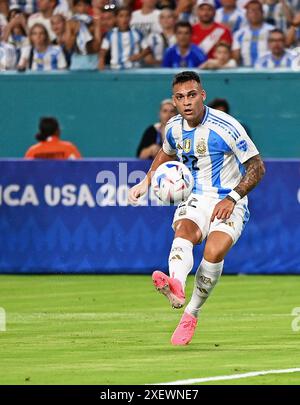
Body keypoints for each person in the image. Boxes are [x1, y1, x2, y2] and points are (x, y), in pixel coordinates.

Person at [128, 71, 265, 346]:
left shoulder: (226, 127)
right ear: (174, 101)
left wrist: (233, 198)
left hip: (229, 198)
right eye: (180, 97)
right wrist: (147, 180)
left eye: (192, 95)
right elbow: (166, 152)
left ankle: (191, 312)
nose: (187, 102)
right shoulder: (173, 127)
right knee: (184, 231)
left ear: (202, 95)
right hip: (195, 196)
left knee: (214, 252)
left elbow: (257, 167)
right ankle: (175, 286)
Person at [232, 0, 274, 66]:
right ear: (246, 14)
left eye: (257, 10)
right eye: (251, 11)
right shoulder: (239, 34)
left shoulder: (272, 31)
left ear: (263, 13)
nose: (254, 13)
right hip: (246, 72)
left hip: (267, 71)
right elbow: (236, 57)